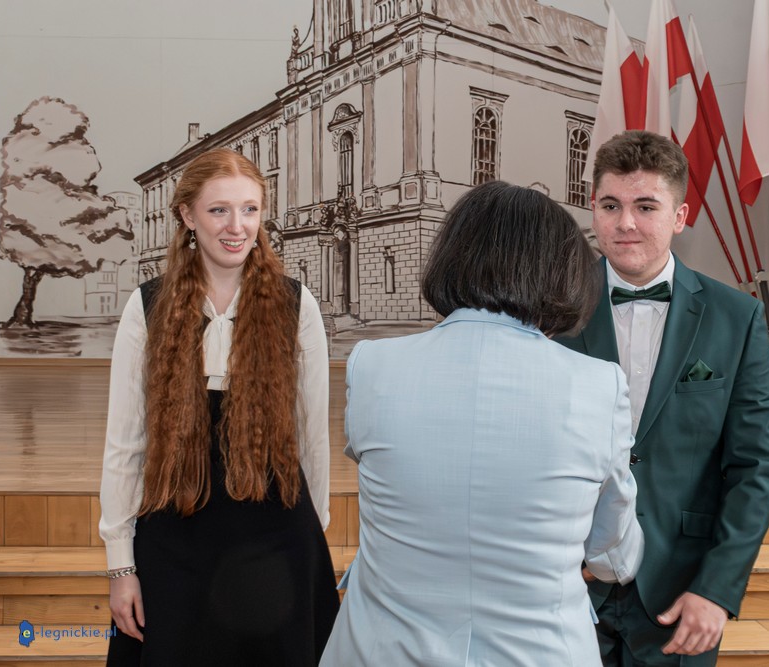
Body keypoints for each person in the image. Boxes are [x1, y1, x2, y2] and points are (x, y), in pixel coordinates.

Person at [321, 180, 645, 666]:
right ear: (563, 272)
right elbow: (613, 556)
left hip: (382, 651)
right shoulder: (599, 385)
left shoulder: (373, 366)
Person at [100, 148, 340, 666]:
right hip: (175, 533)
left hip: (276, 537)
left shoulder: (297, 305)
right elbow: (125, 445)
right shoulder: (147, 306)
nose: (237, 226)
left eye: (250, 209)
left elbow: (312, 438)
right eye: (219, 210)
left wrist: (310, 544)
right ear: (187, 216)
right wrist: (121, 567)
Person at [556, 130, 769, 666]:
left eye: (645, 206)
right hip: (566, 583)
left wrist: (717, 589)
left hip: (681, 589)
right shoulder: (551, 311)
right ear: (593, 209)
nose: (625, 223)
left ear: (680, 216)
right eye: (610, 205)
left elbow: (754, 466)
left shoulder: (737, 317)